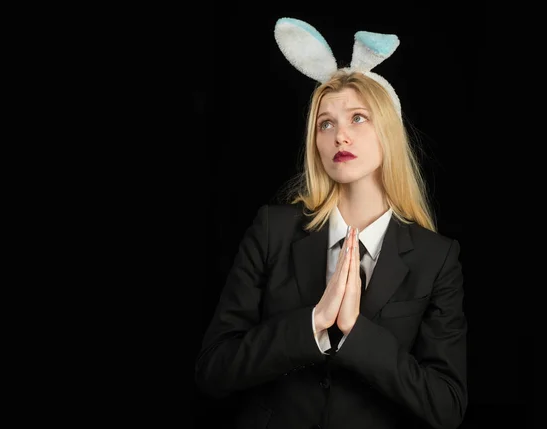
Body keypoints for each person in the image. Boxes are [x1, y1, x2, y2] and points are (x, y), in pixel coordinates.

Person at [195, 17, 467, 429]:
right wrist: (312, 326)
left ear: (388, 132)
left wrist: (355, 332)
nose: (341, 135)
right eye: (326, 123)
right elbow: (214, 370)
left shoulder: (437, 258)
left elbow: (445, 405)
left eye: (358, 118)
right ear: (315, 143)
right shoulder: (273, 230)